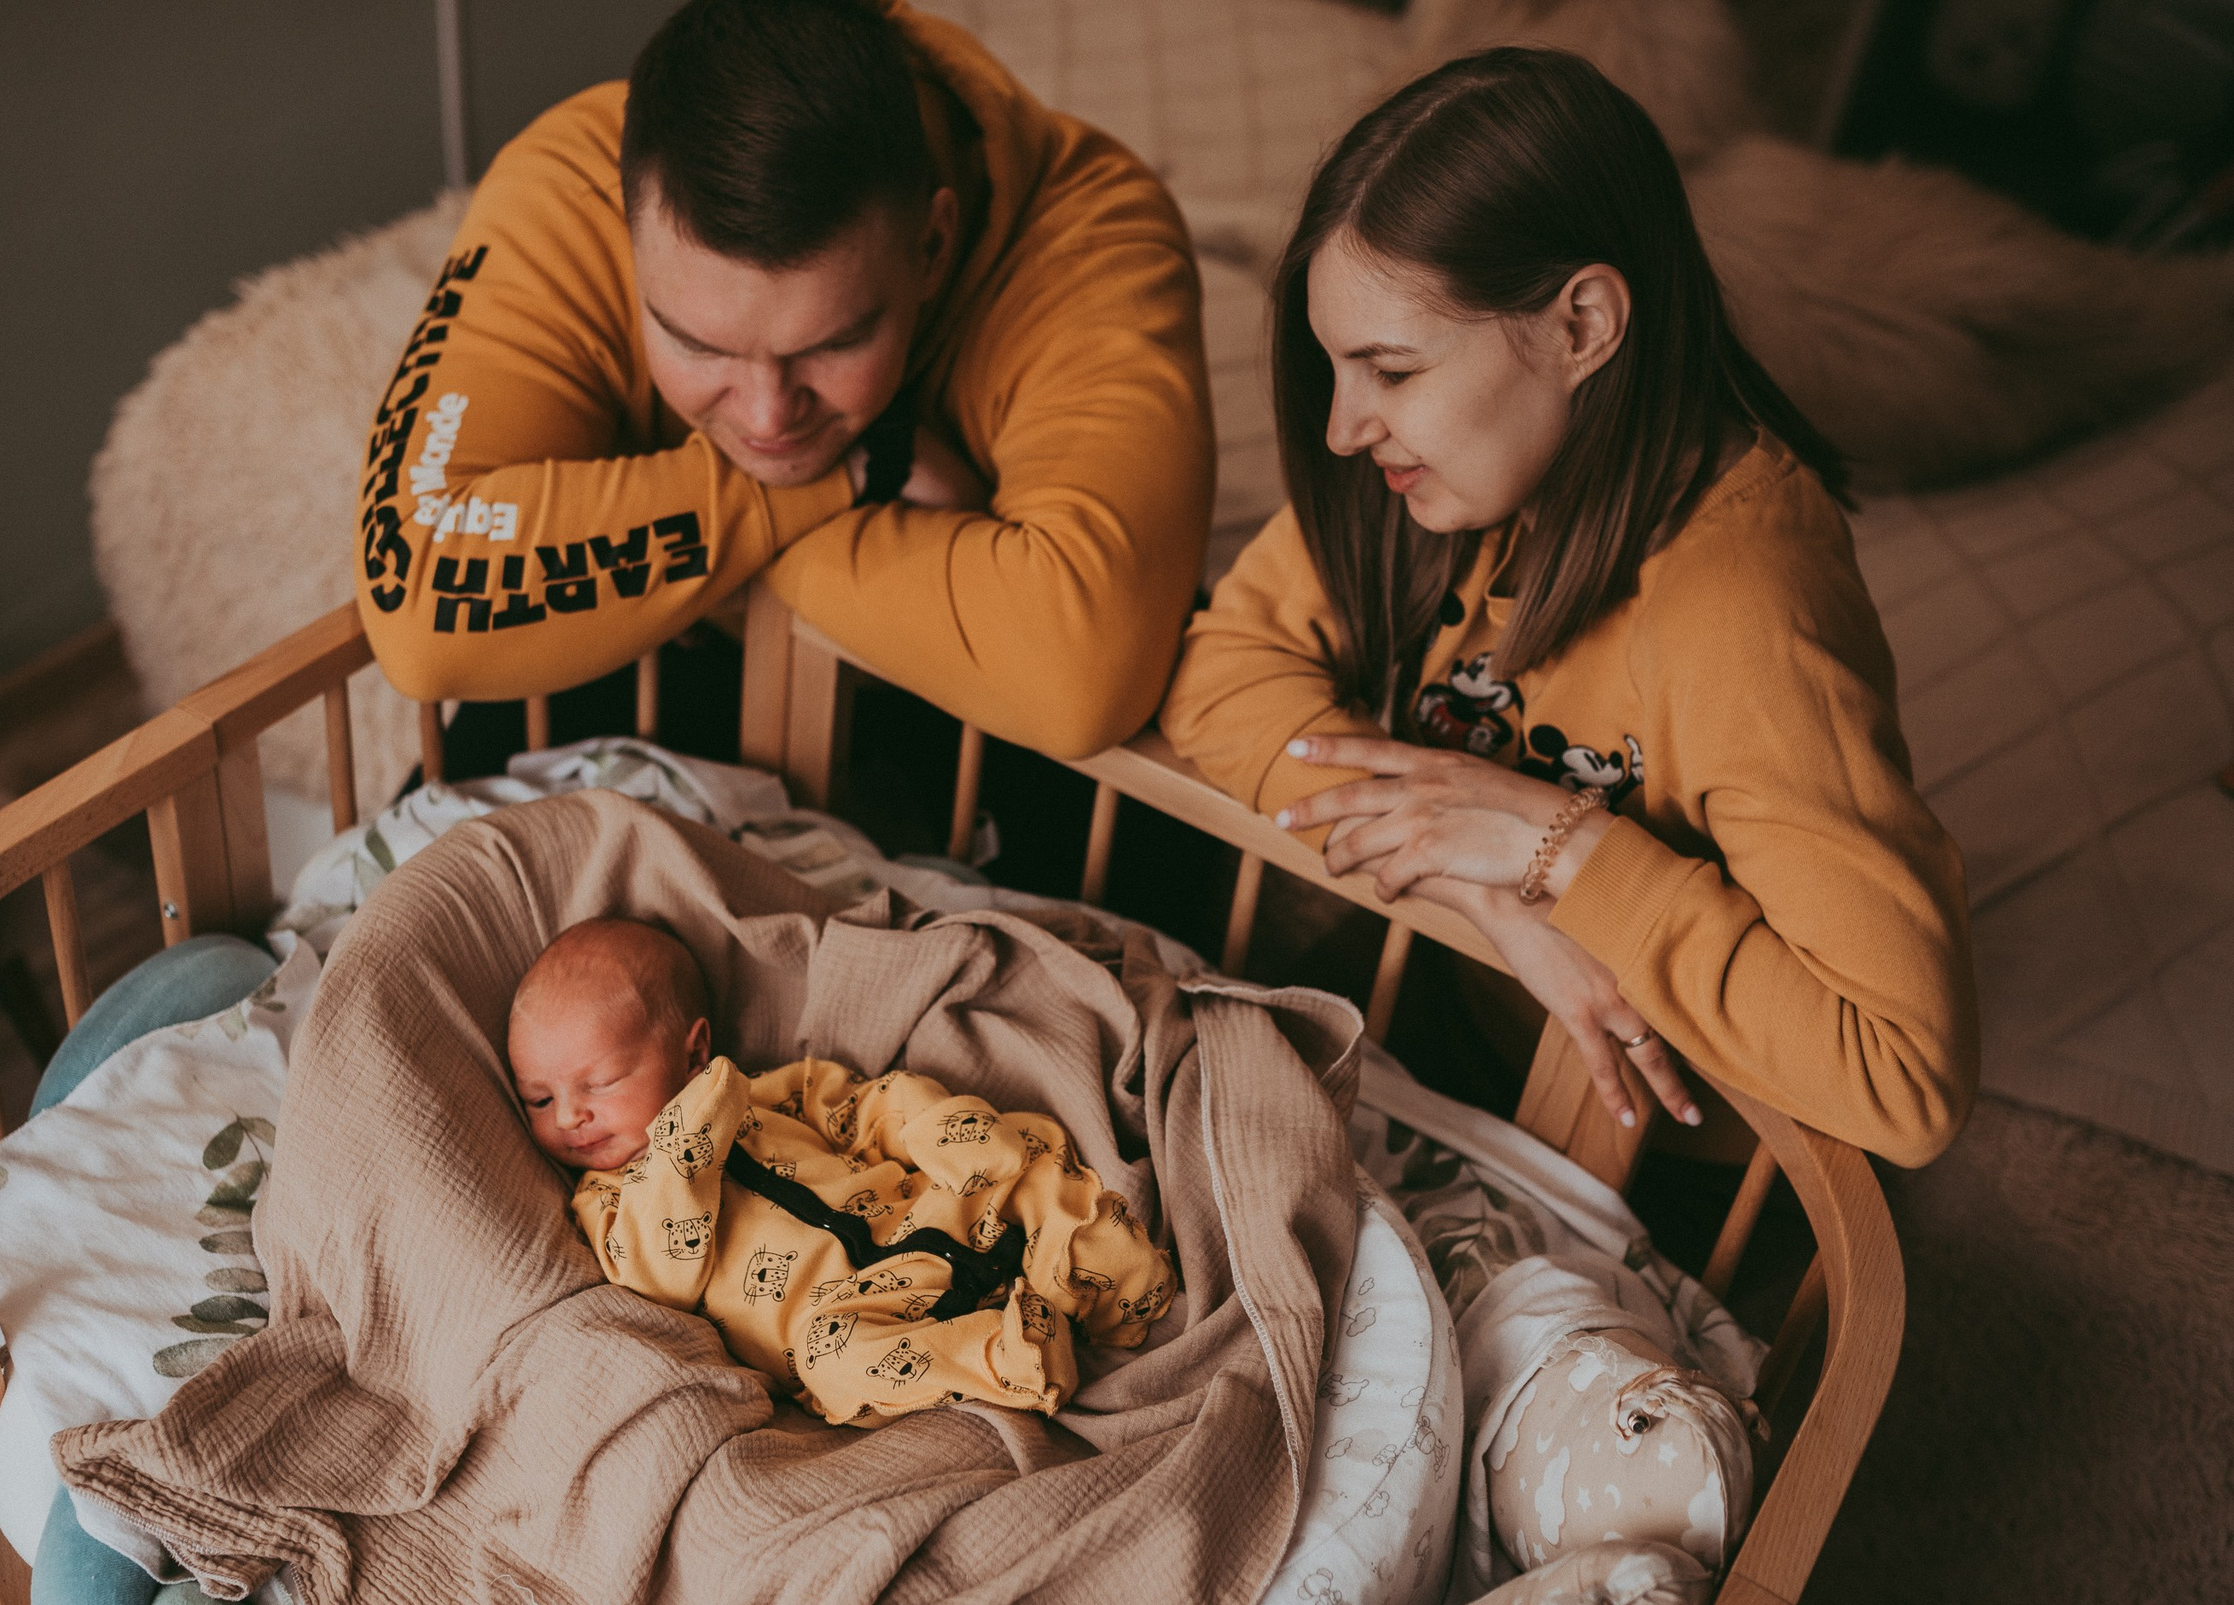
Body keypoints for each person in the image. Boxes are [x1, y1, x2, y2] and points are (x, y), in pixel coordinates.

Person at [1160, 47, 1978, 1168]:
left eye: (1392, 373)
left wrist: (1562, 850)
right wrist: (1481, 884)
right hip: (1459, 1014)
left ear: (1582, 326)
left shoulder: (1744, 613)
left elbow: (1904, 1074)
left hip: (1658, 1137)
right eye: (1335, 368)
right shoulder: (1439, 477)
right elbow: (1222, 667)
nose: (1344, 427)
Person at [359, 0, 1212, 761]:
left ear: (933, 245)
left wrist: (675, 534)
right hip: (649, 676)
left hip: (952, 743)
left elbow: (1078, 677)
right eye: (698, 344)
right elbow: (417, 606)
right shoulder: (568, 183)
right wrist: (846, 480)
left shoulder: (1095, 236)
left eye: (834, 342)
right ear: (627, 237)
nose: (770, 416)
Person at [508, 919, 1177, 1424]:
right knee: (838, 1365)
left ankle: (1106, 1272)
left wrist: (935, 1129)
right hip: (853, 1313)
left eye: (600, 1082)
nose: (569, 1115)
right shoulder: (606, 1200)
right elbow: (658, 1279)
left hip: (925, 1213)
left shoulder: (769, 1093)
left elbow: (868, 1106)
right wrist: (682, 1153)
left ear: (695, 1053)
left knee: (1015, 1148)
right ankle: (1010, 1352)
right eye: (539, 1098)